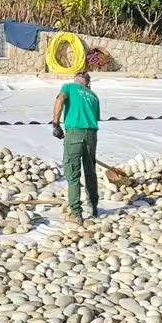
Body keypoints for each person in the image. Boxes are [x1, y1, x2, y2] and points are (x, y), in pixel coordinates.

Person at [51, 69, 101, 222]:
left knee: (72, 172)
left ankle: (76, 213)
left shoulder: (68, 87)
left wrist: (55, 124)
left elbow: (60, 100)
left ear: (75, 79)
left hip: (74, 133)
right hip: (91, 135)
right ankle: (93, 207)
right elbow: (95, 117)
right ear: (88, 83)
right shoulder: (94, 96)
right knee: (90, 171)